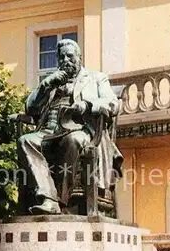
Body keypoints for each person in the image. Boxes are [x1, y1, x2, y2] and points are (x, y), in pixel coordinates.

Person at [17, 39, 123, 215]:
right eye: (61, 57)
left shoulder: (95, 78)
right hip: (48, 131)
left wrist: (87, 105)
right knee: (25, 140)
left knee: (72, 140)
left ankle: (61, 200)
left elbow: (113, 103)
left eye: (70, 56)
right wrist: (45, 85)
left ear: (79, 58)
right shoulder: (52, 81)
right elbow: (30, 108)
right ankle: (48, 198)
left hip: (80, 129)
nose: (65, 60)